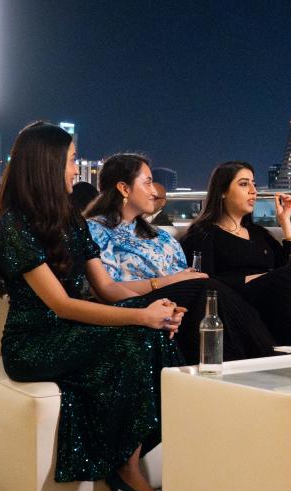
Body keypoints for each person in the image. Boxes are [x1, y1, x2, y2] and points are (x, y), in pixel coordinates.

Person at [0, 121, 184, 491]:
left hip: (73, 328)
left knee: (158, 331)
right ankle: (125, 464)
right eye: (72, 160)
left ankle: (132, 454)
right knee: (138, 334)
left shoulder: (71, 219)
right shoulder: (14, 225)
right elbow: (60, 305)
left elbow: (107, 289)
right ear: (47, 164)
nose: (77, 170)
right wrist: (138, 318)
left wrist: (153, 308)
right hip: (36, 342)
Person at [85, 154, 276, 363]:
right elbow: (107, 288)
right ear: (124, 188)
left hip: (178, 303)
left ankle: (256, 365)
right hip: (135, 304)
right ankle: (269, 359)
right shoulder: (96, 230)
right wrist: (169, 285)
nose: (154, 191)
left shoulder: (159, 235)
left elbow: (185, 275)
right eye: (148, 183)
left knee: (210, 293)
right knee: (207, 288)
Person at [180, 161, 291, 344]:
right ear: (222, 192)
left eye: (253, 183)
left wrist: (285, 221)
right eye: (243, 184)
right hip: (239, 301)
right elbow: (203, 281)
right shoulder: (203, 234)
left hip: (277, 297)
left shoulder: (258, 233)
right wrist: (255, 278)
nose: (253, 191)